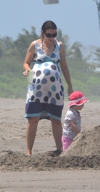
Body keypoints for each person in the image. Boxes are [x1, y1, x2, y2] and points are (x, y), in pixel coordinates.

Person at [23, 20, 74, 155]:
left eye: (54, 34)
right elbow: (26, 63)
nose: (52, 38)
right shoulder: (34, 45)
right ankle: (29, 151)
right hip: (36, 89)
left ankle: (60, 150)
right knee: (33, 119)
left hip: (55, 90)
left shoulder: (59, 46)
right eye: (49, 35)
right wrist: (28, 71)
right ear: (42, 33)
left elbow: (64, 66)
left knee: (56, 119)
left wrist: (70, 85)